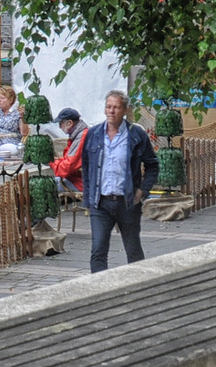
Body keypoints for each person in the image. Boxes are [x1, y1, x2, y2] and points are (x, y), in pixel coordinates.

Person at [81, 89, 159, 274]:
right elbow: (86, 168)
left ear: (125, 110)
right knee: (98, 249)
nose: (111, 111)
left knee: (133, 250)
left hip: (127, 202)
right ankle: (100, 291)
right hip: (101, 203)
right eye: (108, 107)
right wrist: (88, 199)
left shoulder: (136, 135)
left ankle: (139, 287)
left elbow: (152, 165)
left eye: (116, 107)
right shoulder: (93, 134)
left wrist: (142, 191)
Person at [50, 107, 87, 192]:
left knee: (46, 187)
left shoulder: (82, 137)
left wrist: (51, 162)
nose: (59, 127)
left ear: (69, 123)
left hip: (80, 183)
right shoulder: (78, 135)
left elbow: (67, 167)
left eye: (61, 124)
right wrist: (56, 161)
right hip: (78, 179)